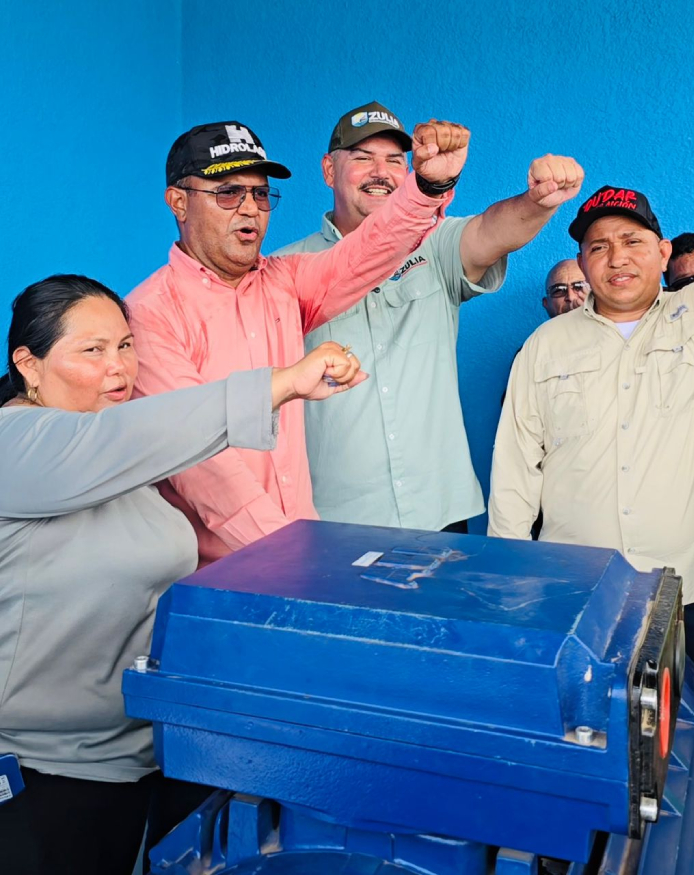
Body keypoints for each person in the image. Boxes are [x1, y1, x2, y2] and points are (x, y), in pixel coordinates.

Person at [0, 274, 365, 875]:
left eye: (125, 345)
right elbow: (125, 437)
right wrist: (280, 384)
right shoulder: (16, 443)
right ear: (29, 365)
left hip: (147, 750)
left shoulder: (123, 458)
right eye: (93, 350)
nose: (119, 367)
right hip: (47, 769)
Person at [128, 116, 469, 562]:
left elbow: (367, 252)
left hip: (303, 553)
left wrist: (426, 187)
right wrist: (289, 554)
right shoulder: (148, 314)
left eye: (260, 194)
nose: (249, 209)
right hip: (223, 572)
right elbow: (203, 468)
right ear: (179, 202)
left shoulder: (284, 281)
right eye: (228, 192)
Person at [274, 100, 584, 534]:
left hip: (438, 508)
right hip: (334, 517)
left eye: (394, 160)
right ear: (329, 170)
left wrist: (538, 203)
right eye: (362, 158)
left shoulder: (435, 244)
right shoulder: (286, 270)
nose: (380, 172)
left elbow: (494, 231)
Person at [488, 185, 694, 664]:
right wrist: (511, 577)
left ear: (663, 253)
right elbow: (516, 467)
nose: (617, 258)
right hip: (574, 589)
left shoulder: (693, 320)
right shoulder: (545, 345)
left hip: (688, 588)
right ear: (582, 263)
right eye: (599, 247)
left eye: (633, 241)